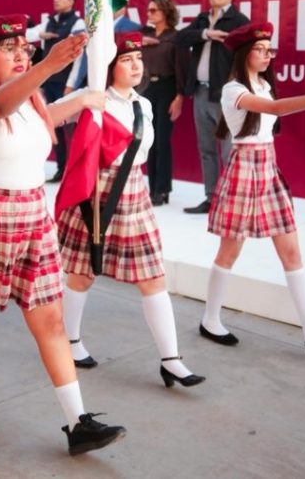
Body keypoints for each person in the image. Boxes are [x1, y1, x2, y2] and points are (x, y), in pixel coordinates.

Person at [0, 14, 126, 455]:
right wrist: (49, 65)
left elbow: (43, 116)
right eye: (9, 48)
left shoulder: (28, 97)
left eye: (25, 49)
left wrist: (86, 97)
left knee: (51, 321)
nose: (21, 55)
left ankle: (78, 423)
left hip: (33, 216)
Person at [199, 23, 305, 356]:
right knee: (229, 252)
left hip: (267, 168)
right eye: (260, 50)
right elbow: (274, 109)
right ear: (244, 53)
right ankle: (210, 320)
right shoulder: (232, 89)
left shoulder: (263, 85)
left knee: (292, 253)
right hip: (244, 169)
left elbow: (273, 111)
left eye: (270, 50)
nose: (268, 55)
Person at [55, 32, 205, 388]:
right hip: (96, 192)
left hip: (135, 192)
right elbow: (46, 118)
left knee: (153, 277)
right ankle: (69, 341)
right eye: (126, 59)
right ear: (109, 66)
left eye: (138, 58)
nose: (136, 65)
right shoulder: (91, 98)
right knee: (81, 274)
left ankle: (171, 360)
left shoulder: (144, 104)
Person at [176, 0, 250, 214]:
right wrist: (206, 33)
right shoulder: (202, 19)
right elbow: (179, 38)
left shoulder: (239, 21)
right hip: (200, 92)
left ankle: (231, 201)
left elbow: (247, 58)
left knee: (229, 151)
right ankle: (211, 198)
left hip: (224, 95)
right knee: (206, 150)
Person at [28, 0, 86, 183]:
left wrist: (71, 85)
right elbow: (27, 35)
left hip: (66, 84)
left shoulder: (78, 23)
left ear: (71, 1)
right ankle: (61, 169)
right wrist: (42, 36)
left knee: (72, 130)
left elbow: (80, 58)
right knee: (53, 127)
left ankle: (75, 172)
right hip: (49, 82)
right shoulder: (49, 22)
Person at [140, 0, 189, 206]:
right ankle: (153, 188)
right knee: (149, 140)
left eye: (154, 11)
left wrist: (179, 97)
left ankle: (162, 189)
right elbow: (120, 39)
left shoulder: (175, 37)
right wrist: (140, 42)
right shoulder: (145, 34)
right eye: (148, 10)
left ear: (165, 12)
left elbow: (182, 69)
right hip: (147, 88)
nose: (149, 14)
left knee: (162, 140)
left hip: (167, 88)